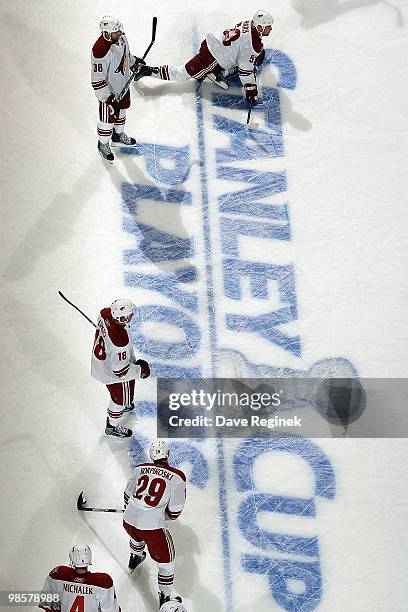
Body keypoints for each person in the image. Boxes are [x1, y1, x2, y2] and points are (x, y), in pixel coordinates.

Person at [134, 10, 273, 104]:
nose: (270, 29)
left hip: (214, 45)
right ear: (260, 27)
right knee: (182, 74)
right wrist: (250, 89)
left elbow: (243, 46)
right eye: (268, 26)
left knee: (243, 59)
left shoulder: (249, 23)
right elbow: (245, 70)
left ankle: (217, 71)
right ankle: (146, 70)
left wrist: (257, 53)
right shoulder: (252, 44)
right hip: (212, 57)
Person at [123, 440, 186, 608]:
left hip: (128, 519)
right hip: (152, 528)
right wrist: (158, 513)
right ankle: (165, 597)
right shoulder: (177, 477)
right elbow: (174, 512)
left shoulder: (139, 469)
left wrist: (134, 509)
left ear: (151, 456)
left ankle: (135, 557)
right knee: (167, 562)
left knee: (136, 534)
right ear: (168, 454)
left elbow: (127, 495)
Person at [91, 299, 150, 438]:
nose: (130, 317)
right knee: (119, 400)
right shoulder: (119, 342)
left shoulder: (104, 313)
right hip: (111, 372)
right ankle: (112, 425)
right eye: (128, 316)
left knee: (127, 389)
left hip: (105, 360)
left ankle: (127, 403)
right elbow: (121, 372)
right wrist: (141, 371)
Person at [91, 16, 145, 163]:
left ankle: (118, 136)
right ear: (107, 33)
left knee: (122, 113)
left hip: (123, 84)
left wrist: (135, 62)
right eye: (116, 32)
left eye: (120, 30)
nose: (120, 33)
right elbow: (97, 79)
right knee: (107, 121)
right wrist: (108, 99)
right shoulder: (100, 50)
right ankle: (103, 144)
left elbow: (126, 57)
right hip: (109, 93)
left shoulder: (121, 38)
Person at [39, 545, 121, 612]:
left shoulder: (58, 574)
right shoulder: (103, 582)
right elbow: (111, 610)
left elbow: (45, 601)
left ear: (72, 559)